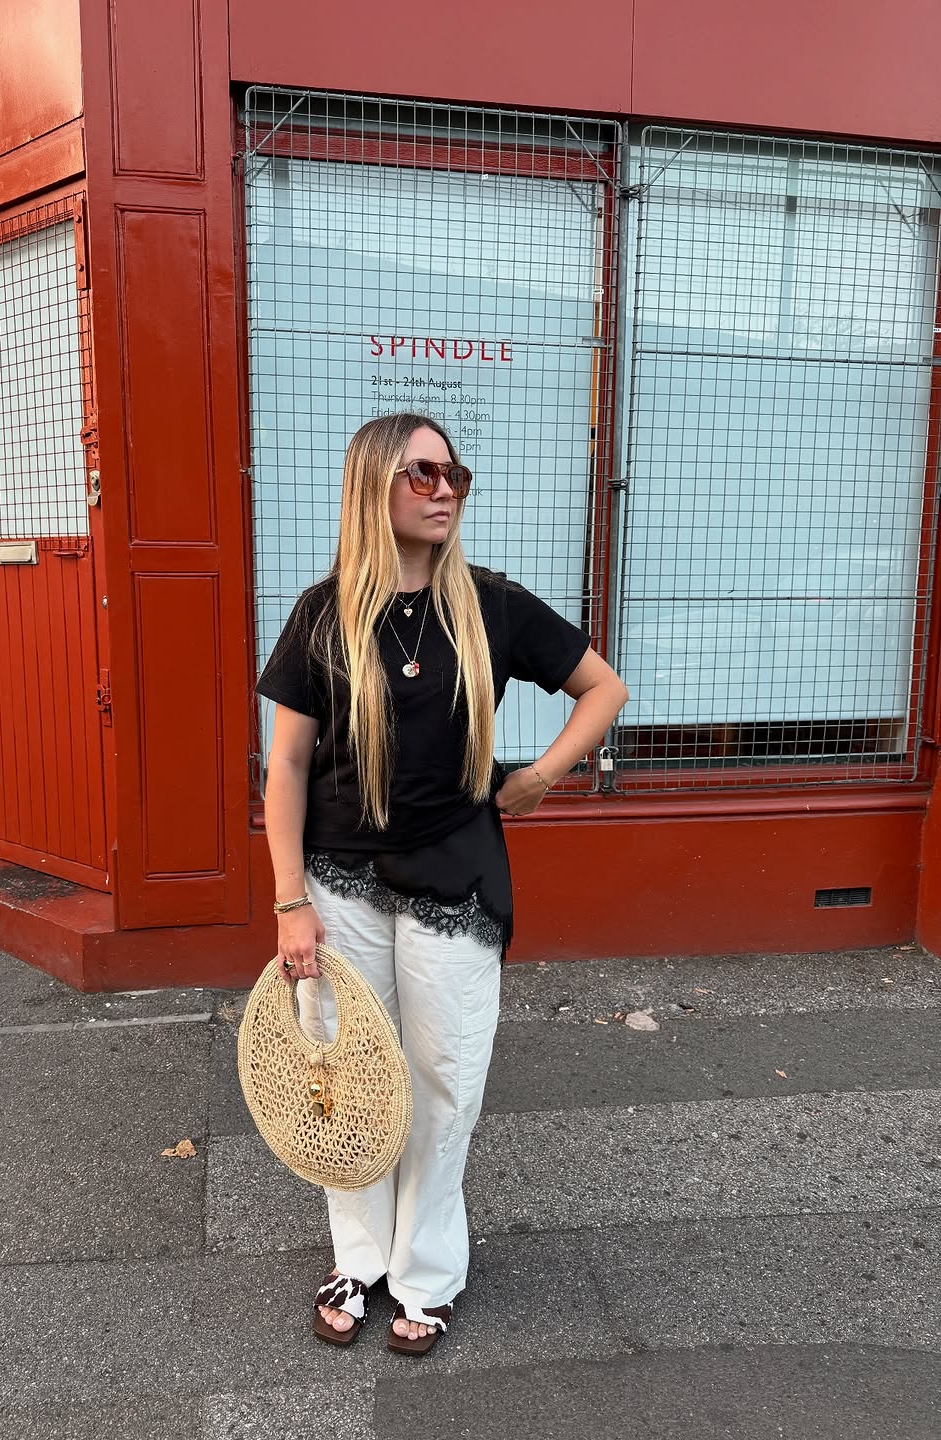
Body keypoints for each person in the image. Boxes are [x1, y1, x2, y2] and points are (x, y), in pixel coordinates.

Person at [255, 413, 628, 1355]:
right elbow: (287, 769)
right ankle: (360, 1256)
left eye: (452, 471)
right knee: (349, 1078)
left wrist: (540, 778)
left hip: (456, 881)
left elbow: (604, 689)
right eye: (421, 472)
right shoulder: (320, 614)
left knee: (444, 1081)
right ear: (373, 485)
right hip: (338, 882)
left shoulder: (492, 607)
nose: (444, 487)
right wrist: (289, 900)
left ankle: (425, 1273)